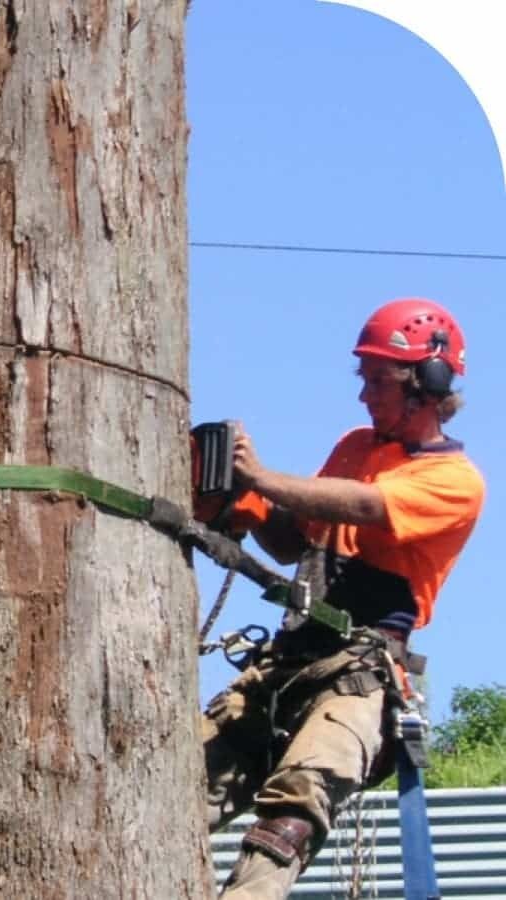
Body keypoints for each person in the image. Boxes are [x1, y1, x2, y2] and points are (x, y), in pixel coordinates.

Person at [203, 298, 485, 898]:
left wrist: (263, 479)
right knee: (175, 784)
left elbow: (365, 507)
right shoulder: (357, 445)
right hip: (286, 662)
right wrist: (244, 503)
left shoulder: (455, 481)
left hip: (357, 675)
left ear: (427, 384)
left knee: (295, 810)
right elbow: (292, 539)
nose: (365, 396)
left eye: (378, 380)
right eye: (364, 380)